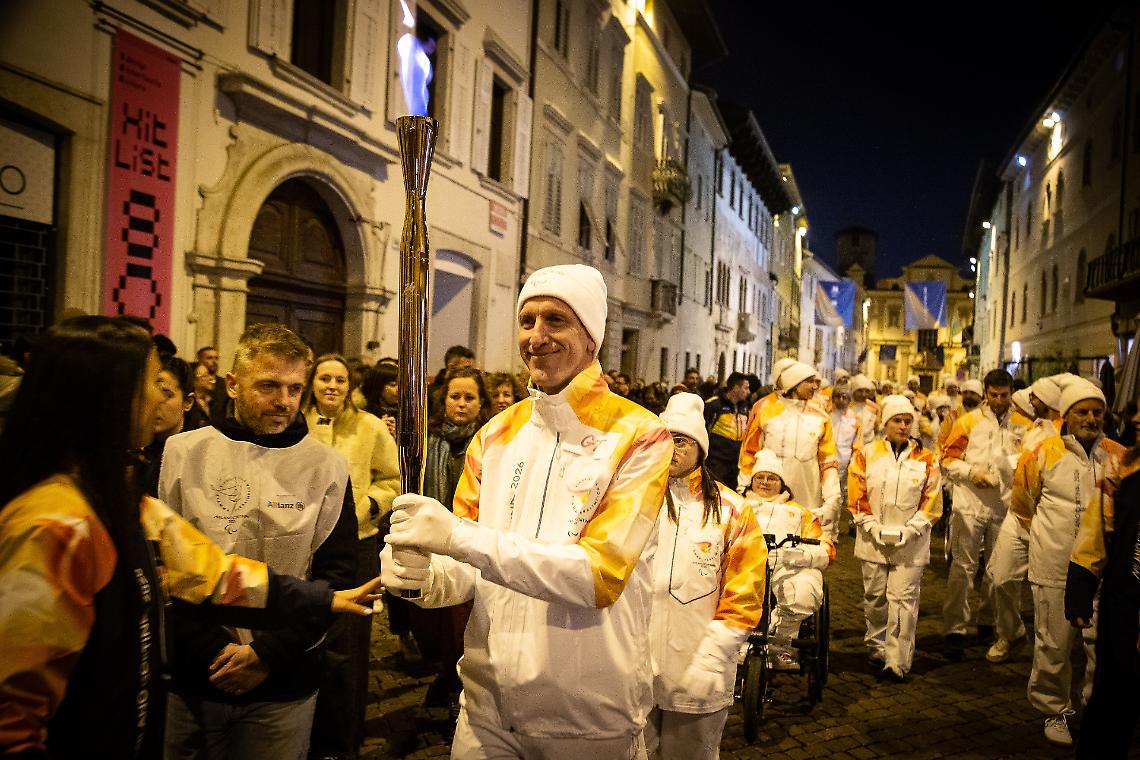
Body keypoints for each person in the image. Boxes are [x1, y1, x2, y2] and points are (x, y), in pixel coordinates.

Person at [0, 317, 381, 759]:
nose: (167, 400)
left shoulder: (119, 500)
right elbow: (14, 714)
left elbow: (209, 571)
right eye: (155, 385)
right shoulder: (53, 524)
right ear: (106, 400)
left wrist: (320, 603)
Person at [380, 264, 673, 758]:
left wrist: (456, 539)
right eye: (527, 320)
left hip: (586, 716)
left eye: (556, 320)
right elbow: (467, 573)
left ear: (592, 337)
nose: (536, 336)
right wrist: (423, 577)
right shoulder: (494, 436)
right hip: (485, 708)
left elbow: (597, 577)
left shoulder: (640, 437)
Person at [159, 324, 359, 760]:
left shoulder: (327, 467)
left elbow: (337, 574)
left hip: (283, 677)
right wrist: (214, 650)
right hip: (196, 672)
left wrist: (268, 654)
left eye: (293, 388)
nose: (283, 401)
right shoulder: (181, 453)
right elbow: (166, 569)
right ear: (232, 384)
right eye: (268, 386)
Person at [644, 393, 766, 759]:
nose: (671, 449)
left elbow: (744, 598)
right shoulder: (632, 501)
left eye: (680, 441)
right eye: (664, 439)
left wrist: (710, 659)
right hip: (634, 673)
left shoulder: (733, 512)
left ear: (700, 449)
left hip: (696, 674)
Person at [1012, 377, 1121, 748]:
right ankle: (1054, 709)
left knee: (1100, 643)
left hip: (1102, 571)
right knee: (1053, 643)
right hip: (1054, 565)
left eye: (1097, 411)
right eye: (1082, 412)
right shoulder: (1043, 451)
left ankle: (1094, 703)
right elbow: (1023, 505)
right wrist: (1048, 542)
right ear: (1068, 415)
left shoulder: (1118, 456)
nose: (1090, 418)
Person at [302, 353, 401, 759]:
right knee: (307, 638)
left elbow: (391, 479)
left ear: (350, 386)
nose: (331, 386)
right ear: (312, 383)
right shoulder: (297, 423)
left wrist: (367, 508)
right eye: (324, 378)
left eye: (339, 380)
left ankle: (343, 738)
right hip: (304, 545)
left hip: (356, 544)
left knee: (348, 644)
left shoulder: (369, 427)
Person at [848, 395, 943, 682]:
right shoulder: (865, 454)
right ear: (885, 423)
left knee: (903, 599)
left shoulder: (926, 458)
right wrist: (870, 525)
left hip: (911, 543)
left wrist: (912, 529)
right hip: (872, 540)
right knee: (875, 597)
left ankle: (897, 660)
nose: (903, 426)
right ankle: (877, 646)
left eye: (907, 421)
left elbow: (932, 501)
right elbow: (856, 495)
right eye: (897, 421)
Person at [939, 369, 1032, 660]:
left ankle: (988, 620)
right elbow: (947, 459)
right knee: (963, 567)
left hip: (1004, 506)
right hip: (970, 502)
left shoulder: (1024, 424)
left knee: (997, 568)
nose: (999, 401)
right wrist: (971, 472)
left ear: (1011, 393)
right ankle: (955, 628)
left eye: (1004, 395)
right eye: (993, 395)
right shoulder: (968, 421)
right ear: (986, 393)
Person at [413, 367, 490, 713]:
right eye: (454, 396)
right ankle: (445, 671)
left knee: (463, 625)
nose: (461, 404)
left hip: (472, 546)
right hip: (431, 545)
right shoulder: (428, 442)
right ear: (443, 400)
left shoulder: (491, 442)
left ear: (481, 403)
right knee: (433, 623)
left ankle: (458, 684)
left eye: (469, 397)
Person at [1066, 403, 1140, 757]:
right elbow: (1096, 531)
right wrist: (1080, 588)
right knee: (1113, 698)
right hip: (1125, 603)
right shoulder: (1121, 467)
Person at [986, 374, 1063, 664]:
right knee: (999, 576)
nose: (1029, 401)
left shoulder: (1063, 434)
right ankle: (1012, 632)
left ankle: (1051, 653)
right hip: (1018, 516)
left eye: (1036, 397)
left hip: (1049, 523)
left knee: (1048, 591)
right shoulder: (1035, 428)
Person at [744, 450, 832, 668]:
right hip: (745, 564)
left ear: (782, 484)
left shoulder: (800, 513)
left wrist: (803, 556)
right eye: (760, 478)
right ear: (751, 481)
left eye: (772, 478)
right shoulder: (737, 506)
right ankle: (736, 643)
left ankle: (782, 644)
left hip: (786, 564)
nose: (765, 482)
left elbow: (824, 547)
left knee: (802, 590)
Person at [737, 361, 841, 541]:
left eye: (816, 381)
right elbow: (748, 453)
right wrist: (743, 489)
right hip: (767, 497)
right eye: (809, 381)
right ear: (794, 382)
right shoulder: (763, 408)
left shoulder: (820, 415)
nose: (815, 386)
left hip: (807, 495)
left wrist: (832, 496)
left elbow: (828, 460)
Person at [140, 355, 196, 496]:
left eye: (166, 394)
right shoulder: (138, 451)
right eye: (151, 392)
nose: (154, 401)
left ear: (188, 402)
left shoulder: (195, 456)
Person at [702, 371, 751, 488]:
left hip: (736, 463)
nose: (748, 392)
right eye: (746, 388)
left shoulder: (744, 406)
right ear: (735, 388)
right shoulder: (714, 404)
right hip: (717, 462)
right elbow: (703, 430)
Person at [850, 374, 881, 452]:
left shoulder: (875, 407)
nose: (863, 394)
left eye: (866, 391)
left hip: (869, 448)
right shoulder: (847, 407)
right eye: (860, 391)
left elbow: (876, 429)